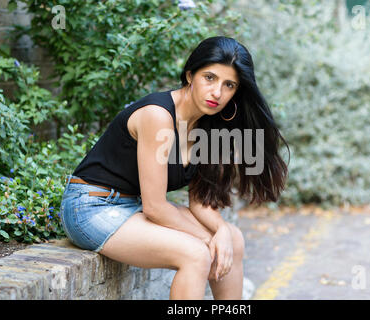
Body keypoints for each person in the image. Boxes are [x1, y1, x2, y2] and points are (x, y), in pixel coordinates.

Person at [59, 36, 289, 300]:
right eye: (210, 78)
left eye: (229, 85)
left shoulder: (207, 125)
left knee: (233, 240)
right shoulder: (158, 116)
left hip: (130, 208)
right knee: (196, 253)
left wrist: (223, 231)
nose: (217, 92)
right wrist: (208, 239)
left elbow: (200, 199)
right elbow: (156, 208)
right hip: (91, 206)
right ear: (190, 75)